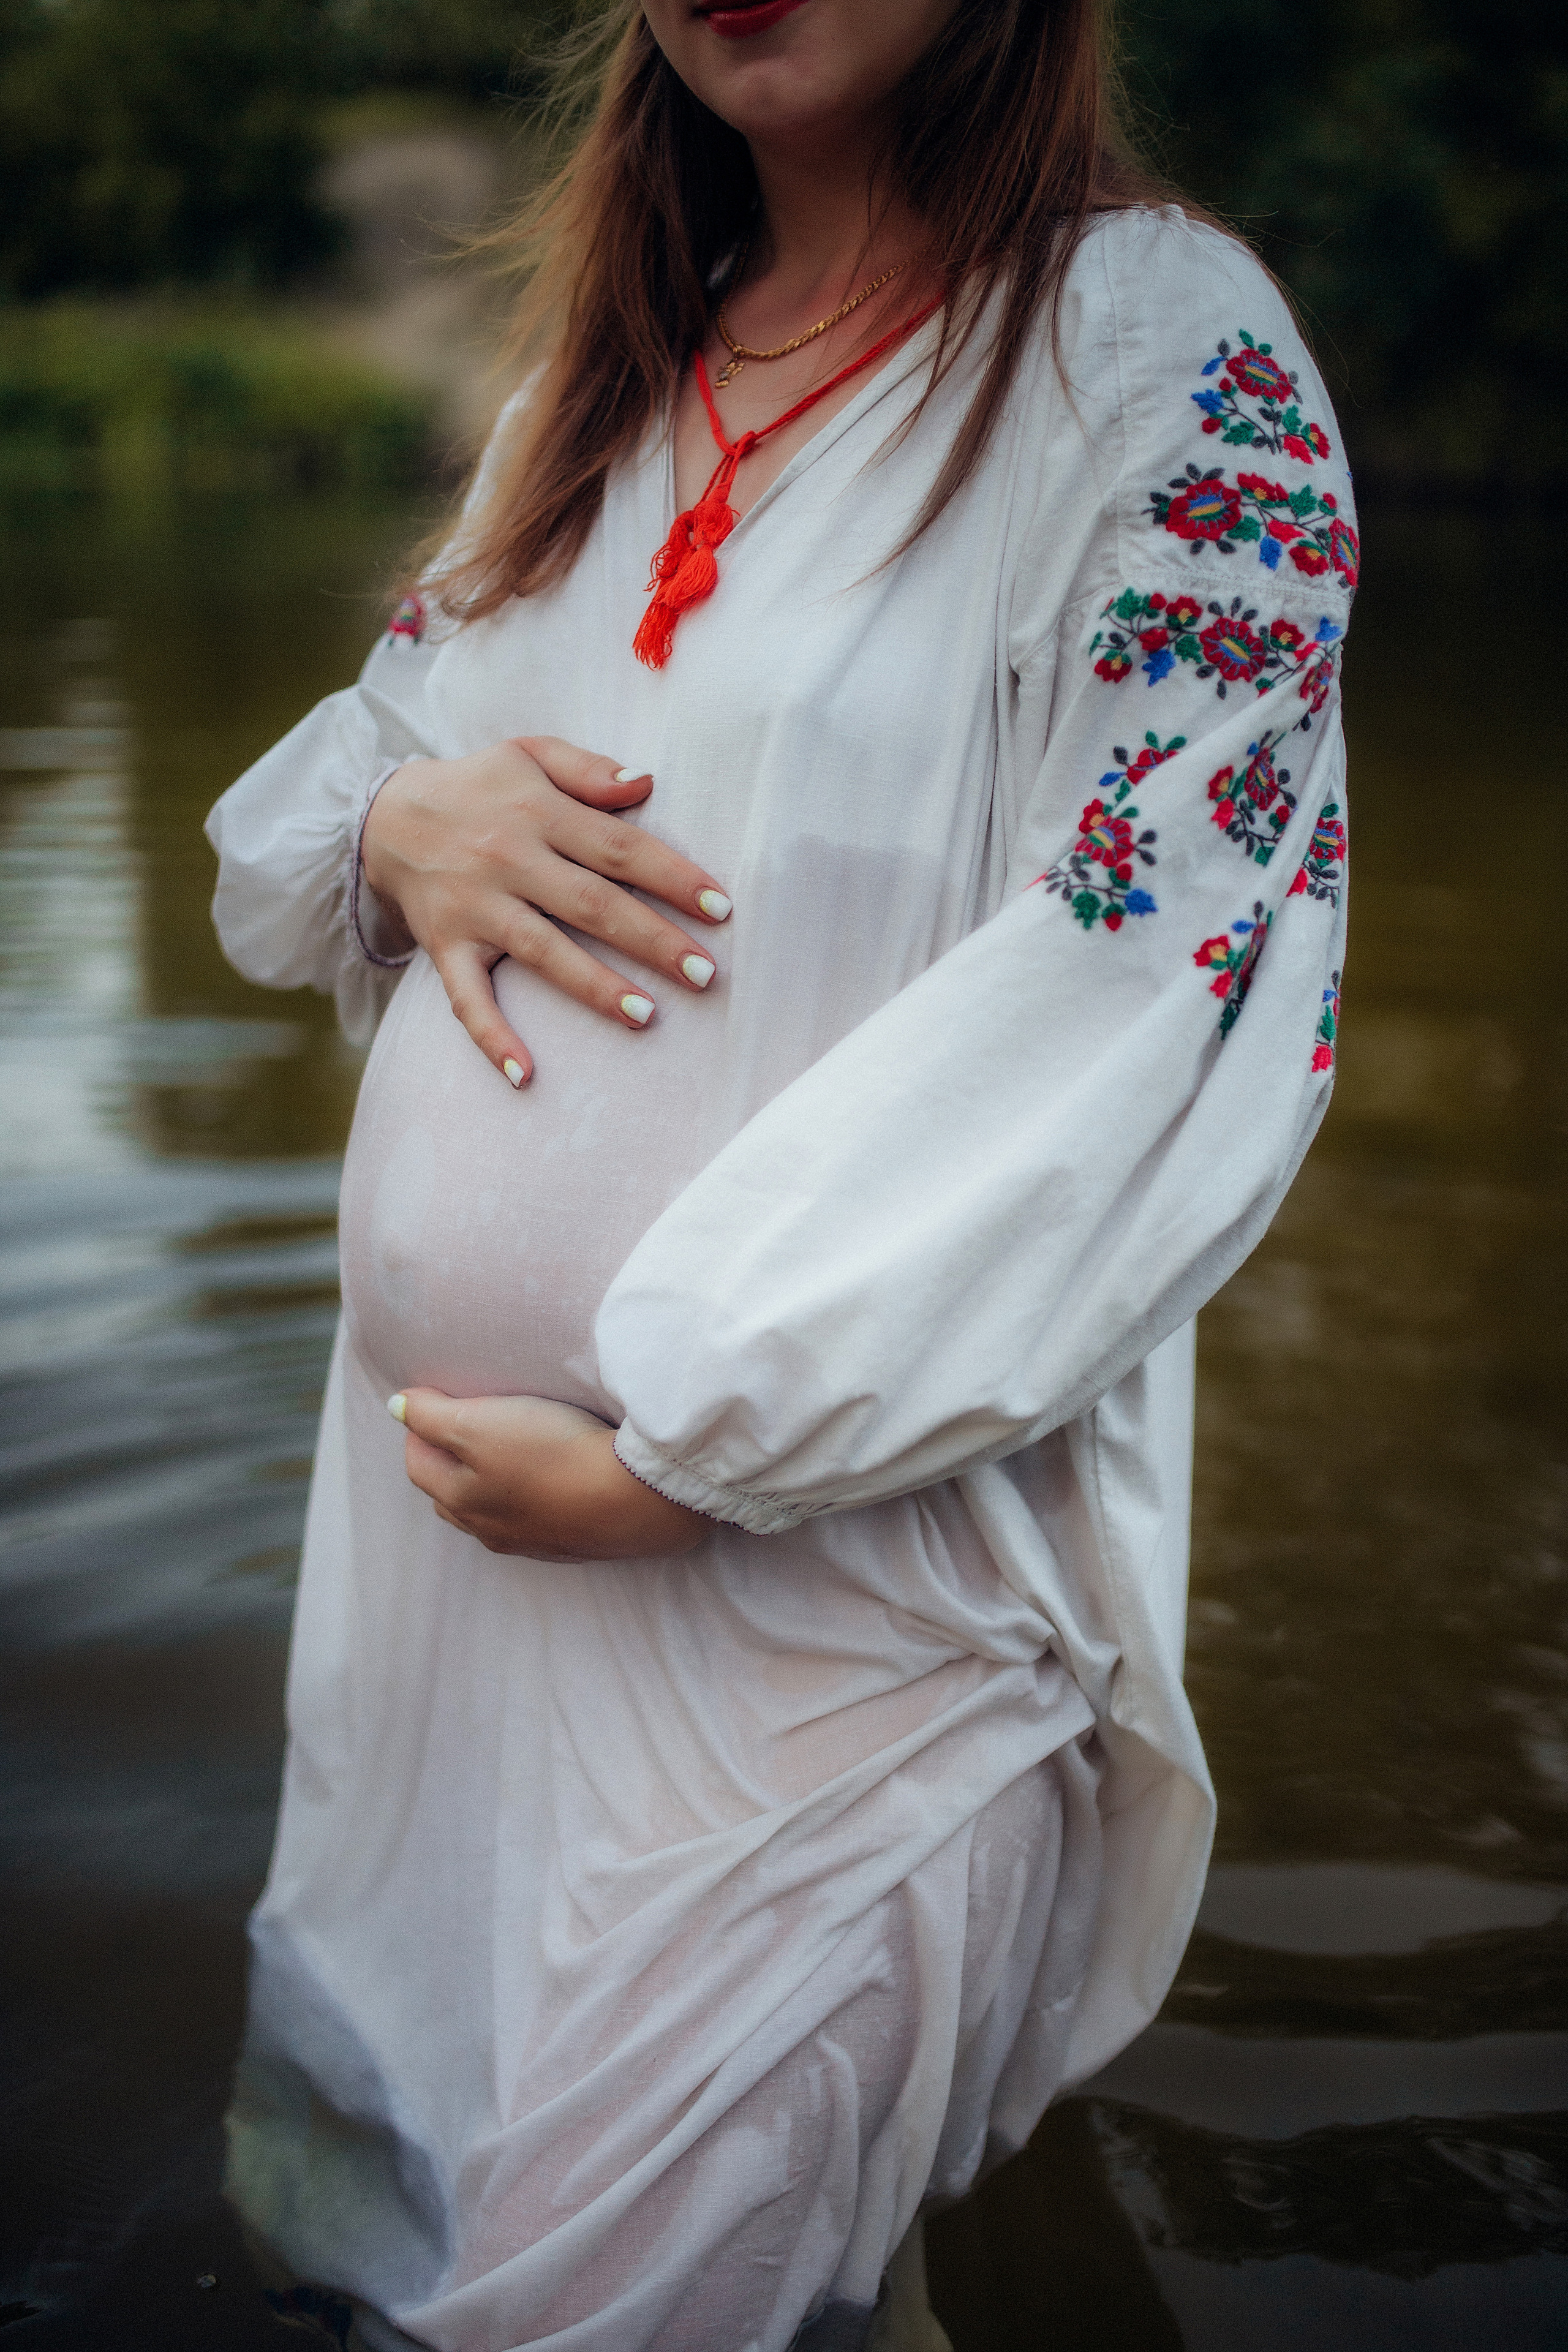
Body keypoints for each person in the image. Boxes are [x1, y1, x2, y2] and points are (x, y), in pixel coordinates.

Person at [205, 1, 1355, 2345]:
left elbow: (1169, 987)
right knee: (435, 2232)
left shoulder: (1156, 354)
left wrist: (712, 1443)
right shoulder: (612, 374)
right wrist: (397, 827)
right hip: (463, 1601)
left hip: (848, 1589)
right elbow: (366, 785)